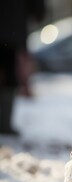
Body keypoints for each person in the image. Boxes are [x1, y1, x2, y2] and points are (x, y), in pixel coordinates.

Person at [0, 0, 45, 135]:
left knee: (9, 78)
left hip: (12, 33)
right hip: (13, 33)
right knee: (9, 79)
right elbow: (38, 11)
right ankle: (4, 122)